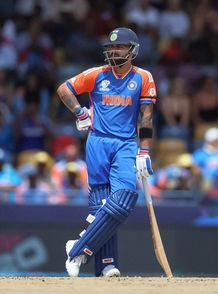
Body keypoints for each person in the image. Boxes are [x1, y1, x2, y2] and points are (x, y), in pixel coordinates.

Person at [57, 27, 156, 277]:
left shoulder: (143, 77)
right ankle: (106, 266)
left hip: (125, 144)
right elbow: (63, 89)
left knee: (123, 200)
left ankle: (78, 248)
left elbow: (146, 117)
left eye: (119, 47)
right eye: (111, 47)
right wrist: (80, 113)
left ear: (132, 51)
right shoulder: (96, 74)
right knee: (100, 206)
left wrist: (143, 151)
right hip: (97, 142)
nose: (114, 51)